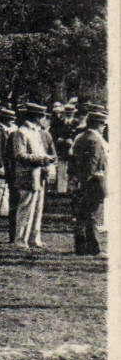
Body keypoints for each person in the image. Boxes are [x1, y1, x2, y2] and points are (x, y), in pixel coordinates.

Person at [8, 103, 56, 249]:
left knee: (37, 209)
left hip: (39, 174)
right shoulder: (21, 132)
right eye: (42, 116)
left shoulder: (37, 132)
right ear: (35, 117)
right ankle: (20, 240)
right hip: (27, 175)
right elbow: (20, 155)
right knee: (26, 208)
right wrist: (42, 159)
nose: (44, 119)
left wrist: (46, 161)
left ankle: (35, 238)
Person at [68, 106, 107, 256]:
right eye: (102, 124)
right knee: (93, 216)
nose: (104, 127)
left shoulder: (81, 137)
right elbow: (92, 164)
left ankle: (81, 247)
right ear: (97, 124)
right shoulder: (95, 140)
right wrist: (89, 182)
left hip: (82, 181)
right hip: (93, 182)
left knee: (82, 216)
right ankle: (94, 248)